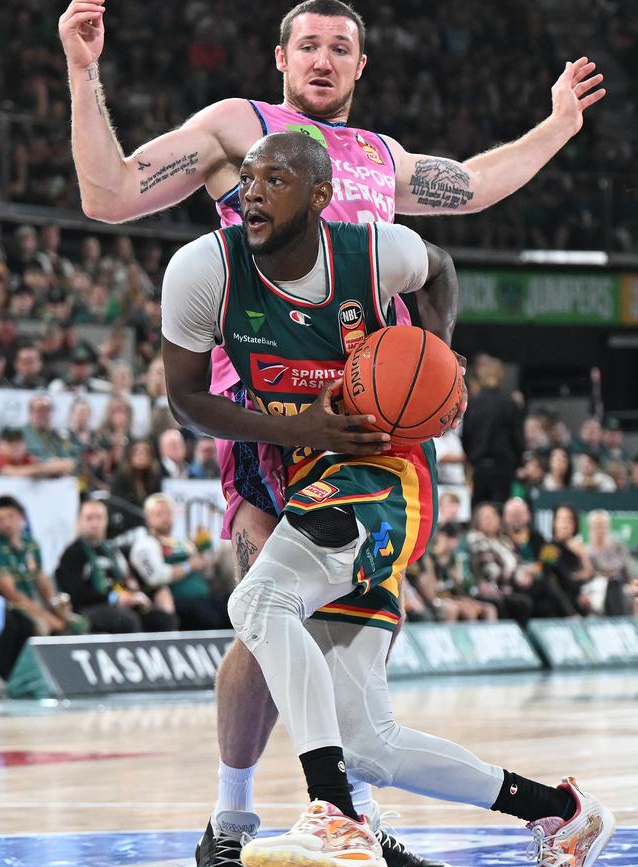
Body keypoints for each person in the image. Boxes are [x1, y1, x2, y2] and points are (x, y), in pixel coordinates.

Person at [59, 1, 607, 861]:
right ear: (280, 56)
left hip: (369, 429)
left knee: (327, 656)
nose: (322, 58)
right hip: (265, 420)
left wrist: (557, 124)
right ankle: (238, 814)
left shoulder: (379, 159)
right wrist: (83, 72)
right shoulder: (241, 128)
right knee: (264, 617)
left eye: (340, 47)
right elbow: (111, 192)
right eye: (307, 44)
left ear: (360, 67)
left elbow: (473, 181)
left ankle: (354, 811)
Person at [162, 133, 614, 867]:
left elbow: (438, 265)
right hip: (307, 475)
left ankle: (334, 814)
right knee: (369, 742)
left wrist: (435, 342)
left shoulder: (373, 252)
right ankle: (564, 812)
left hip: (386, 472)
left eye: (274, 178)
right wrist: (295, 424)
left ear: (317, 196)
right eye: (245, 177)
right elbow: (184, 399)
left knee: (259, 604)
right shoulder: (203, 269)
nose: (250, 190)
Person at [55, 499, 177, 632]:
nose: (95, 523)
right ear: (79, 521)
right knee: (126, 620)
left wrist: (136, 595)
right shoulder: (72, 553)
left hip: (121, 601)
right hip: (90, 607)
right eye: (89, 518)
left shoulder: (112, 549)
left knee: (162, 619)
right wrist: (112, 598)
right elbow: (76, 594)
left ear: (106, 520)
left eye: (100, 518)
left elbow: (127, 579)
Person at [130, 494, 229, 630]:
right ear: (148, 518)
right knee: (209, 618)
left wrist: (204, 549)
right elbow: (155, 577)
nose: (165, 518)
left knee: (231, 610)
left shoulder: (183, 543)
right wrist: (188, 566)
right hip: (178, 602)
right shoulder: (146, 545)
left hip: (204, 597)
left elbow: (207, 575)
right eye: (159, 514)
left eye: (168, 513)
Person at [0, 496, 71, 636]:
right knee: (40, 626)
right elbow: (10, 594)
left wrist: (56, 604)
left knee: (74, 623)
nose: (7, 523)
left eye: (10, 516)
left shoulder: (31, 543)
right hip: (10, 607)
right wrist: (46, 616)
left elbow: (42, 581)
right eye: (1, 519)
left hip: (32, 601)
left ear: (22, 516)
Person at [461, 356, 525, 506]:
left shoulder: (473, 404)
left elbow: (466, 436)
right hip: (504, 467)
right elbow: (518, 439)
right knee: (501, 510)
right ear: (500, 375)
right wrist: (519, 461)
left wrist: (471, 458)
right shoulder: (510, 404)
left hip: (479, 467)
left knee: (479, 510)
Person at [540, 505, 595, 616]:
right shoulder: (549, 547)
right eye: (561, 519)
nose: (565, 524)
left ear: (575, 524)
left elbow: (588, 575)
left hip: (577, 596)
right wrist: (577, 577)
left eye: (569, 520)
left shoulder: (578, 549)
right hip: (556, 599)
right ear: (554, 523)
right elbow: (551, 576)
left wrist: (582, 555)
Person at [585, 509, 636, 616]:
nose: (601, 529)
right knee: (614, 583)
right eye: (598, 525)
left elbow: (629, 570)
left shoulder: (618, 547)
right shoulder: (587, 551)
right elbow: (592, 574)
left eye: (604, 525)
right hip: (599, 590)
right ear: (590, 527)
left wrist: (632, 584)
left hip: (623, 587)